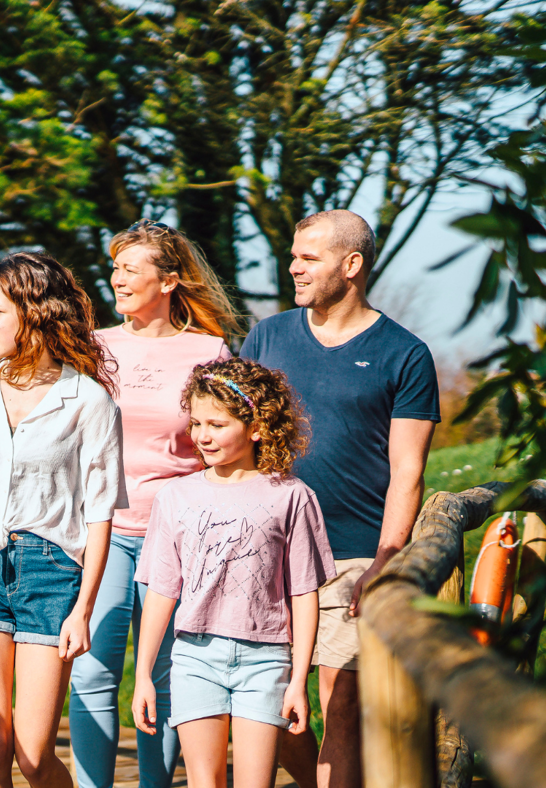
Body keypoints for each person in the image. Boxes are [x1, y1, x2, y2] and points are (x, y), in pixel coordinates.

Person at [239, 209, 440, 788]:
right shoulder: (268, 336)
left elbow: (408, 469)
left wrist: (387, 556)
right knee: (270, 710)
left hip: (348, 553)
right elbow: (229, 434)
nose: (293, 268)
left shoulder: (405, 354)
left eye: (309, 258)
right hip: (264, 551)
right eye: (294, 256)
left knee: (339, 705)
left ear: (351, 266)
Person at [0, 251, 128, 788]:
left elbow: (100, 515)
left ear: (32, 314)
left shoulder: (88, 400)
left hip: (51, 574)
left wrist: (84, 609)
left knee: (33, 756)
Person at [71, 220, 241, 788]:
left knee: (168, 676)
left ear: (168, 281)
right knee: (92, 670)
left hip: (179, 536)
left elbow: (223, 441)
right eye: (115, 267)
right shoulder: (93, 348)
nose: (116, 278)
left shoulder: (208, 350)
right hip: (103, 531)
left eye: (130, 268)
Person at [131, 357, 335, 788]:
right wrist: (144, 674)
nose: (202, 436)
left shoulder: (292, 496)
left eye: (217, 425)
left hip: (266, 660)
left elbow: (303, 594)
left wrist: (298, 681)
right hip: (193, 659)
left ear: (257, 427)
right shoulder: (175, 496)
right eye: (197, 423)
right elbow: (162, 591)